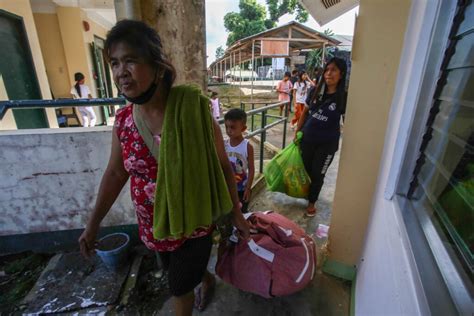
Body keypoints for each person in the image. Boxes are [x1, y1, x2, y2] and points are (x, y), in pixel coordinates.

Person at [78, 20, 250, 316]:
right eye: (115, 63)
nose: (121, 72)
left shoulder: (194, 110)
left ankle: (196, 281)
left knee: (178, 290)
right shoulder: (124, 122)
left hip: (194, 224)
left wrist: (236, 213)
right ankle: (205, 278)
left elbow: (222, 164)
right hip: (154, 226)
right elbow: (116, 173)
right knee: (177, 274)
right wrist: (92, 224)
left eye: (130, 60)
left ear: (157, 67)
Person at [294, 58, 347, 217]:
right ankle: (308, 194)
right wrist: (297, 131)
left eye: (334, 70)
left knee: (318, 173)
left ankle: (312, 202)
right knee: (307, 170)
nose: (329, 73)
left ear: (341, 74)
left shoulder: (344, 97)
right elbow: (304, 112)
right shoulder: (315, 91)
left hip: (327, 144)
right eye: (327, 69)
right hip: (307, 139)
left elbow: (347, 120)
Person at [224, 109, 255, 213]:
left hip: (241, 189)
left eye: (232, 127)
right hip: (226, 188)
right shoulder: (224, 145)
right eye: (226, 127)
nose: (229, 130)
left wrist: (248, 188)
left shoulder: (248, 147)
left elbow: (251, 169)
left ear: (243, 128)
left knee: (242, 213)